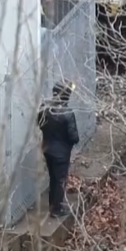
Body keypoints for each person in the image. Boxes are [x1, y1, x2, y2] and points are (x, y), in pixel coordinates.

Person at [39, 81, 80, 219]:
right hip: (61, 153)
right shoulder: (67, 113)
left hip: (47, 148)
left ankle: (53, 204)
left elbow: (39, 124)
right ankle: (56, 209)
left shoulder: (45, 107)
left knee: (53, 177)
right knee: (60, 180)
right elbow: (74, 137)